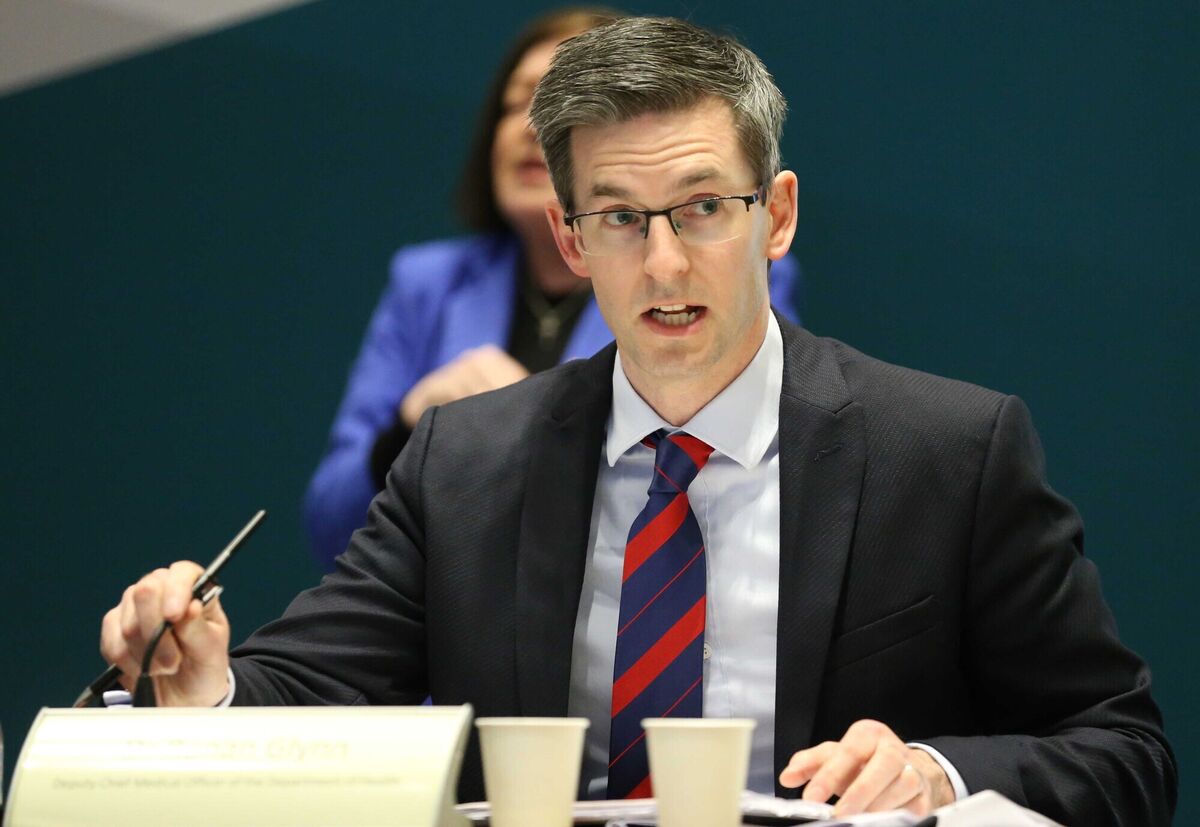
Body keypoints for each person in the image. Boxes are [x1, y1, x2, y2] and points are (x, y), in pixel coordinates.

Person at [99, 16, 1175, 824]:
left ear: (778, 215)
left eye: (704, 208)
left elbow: (1121, 749)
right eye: (619, 217)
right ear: (571, 239)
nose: (664, 264)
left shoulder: (946, 452)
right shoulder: (467, 461)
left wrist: (937, 771)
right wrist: (206, 684)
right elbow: (308, 686)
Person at [302, 7, 806, 569]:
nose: (527, 128)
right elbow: (331, 526)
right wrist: (411, 430)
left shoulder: (725, 268)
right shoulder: (426, 284)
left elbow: (726, 481)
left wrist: (525, 424)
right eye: (515, 103)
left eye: (555, 105)